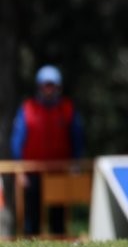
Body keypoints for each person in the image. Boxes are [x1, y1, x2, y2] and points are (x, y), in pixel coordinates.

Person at [9, 65, 85, 235]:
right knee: (32, 215)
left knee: (58, 216)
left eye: (52, 86)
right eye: (45, 85)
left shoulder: (67, 109)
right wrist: (20, 169)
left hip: (59, 171)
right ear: (39, 87)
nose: (49, 90)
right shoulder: (27, 109)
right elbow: (17, 141)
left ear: (58, 87)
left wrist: (76, 163)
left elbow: (77, 138)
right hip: (32, 171)